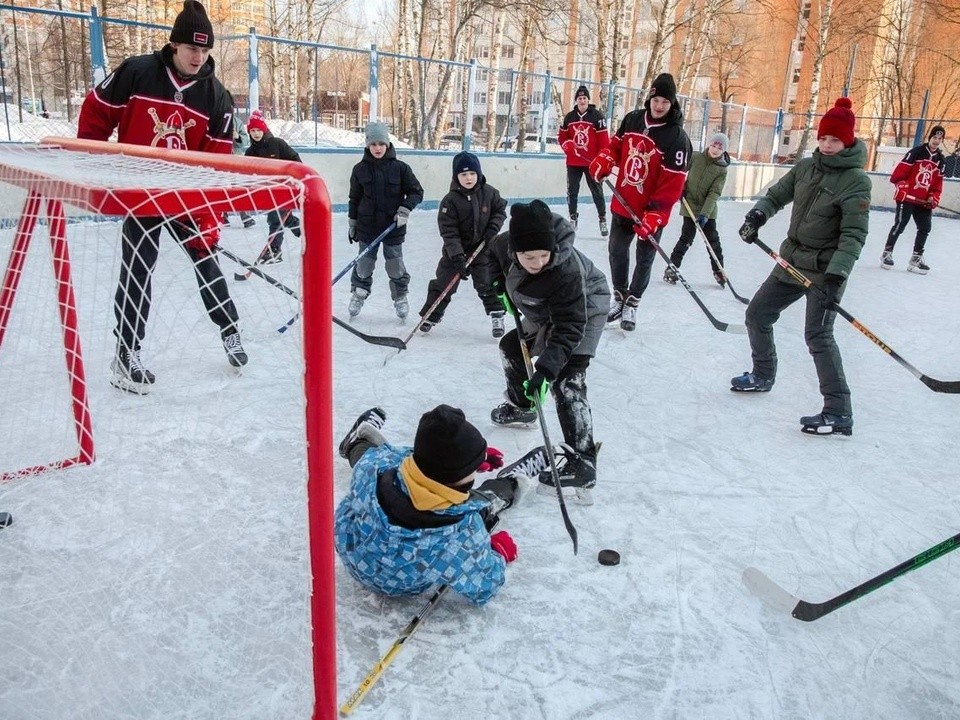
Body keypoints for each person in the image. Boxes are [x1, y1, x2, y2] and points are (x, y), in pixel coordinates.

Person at [77, 1, 246, 394]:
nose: (197, 56)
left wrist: (209, 218)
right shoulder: (137, 72)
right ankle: (127, 352)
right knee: (137, 270)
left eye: (204, 51)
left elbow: (215, 166)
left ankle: (231, 330)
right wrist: (91, 168)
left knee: (208, 266)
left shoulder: (217, 97)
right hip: (141, 196)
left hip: (186, 199)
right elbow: (96, 114)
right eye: (191, 48)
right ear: (174, 44)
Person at [732, 97, 871, 437]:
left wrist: (838, 274)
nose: (827, 144)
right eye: (824, 138)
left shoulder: (856, 181)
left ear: (847, 141)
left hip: (825, 270)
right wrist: (758, 215)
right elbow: (777, 194)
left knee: (819, 336)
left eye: (835, 140)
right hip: (791, 261)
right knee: (757, 315)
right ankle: (763, 374)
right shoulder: (806, 167)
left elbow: (853, 235)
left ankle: (838, 412)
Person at [335, 405, 525, 607]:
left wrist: (467, 461)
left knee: (370, 456)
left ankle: (356, 441)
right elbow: (487, 585)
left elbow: (414, 458)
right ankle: (510, 484)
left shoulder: (374, 468)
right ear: (461, 474)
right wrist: (498, 551)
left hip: (354, 555)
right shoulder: (462, 534)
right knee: (480, 503)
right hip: (400, 585)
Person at [488, 200, 610, 503]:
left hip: (584, 309)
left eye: (544, 255)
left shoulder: (565, 271)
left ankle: (582, 462)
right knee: (511, 348)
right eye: (529, 257)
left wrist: (545, 370)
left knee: (567, 380)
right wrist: (496, 282)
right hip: (544, 308)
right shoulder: (506, 243)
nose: (538, 261)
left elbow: (570, 326)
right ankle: (522, 406)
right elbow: (492, 252)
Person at [589, 73, 692, 332]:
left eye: (665, 102)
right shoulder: (633, 119)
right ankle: (620, 296)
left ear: (672, 104)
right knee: (616, 251)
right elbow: (615, 147)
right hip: (624, 203)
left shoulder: (677, 137)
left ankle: (633, 302)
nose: (659, 106)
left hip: (650, 212)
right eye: (656, 100)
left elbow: (672, 183)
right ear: (650, 98)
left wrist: (655, 214)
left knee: (644, 258)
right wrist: (605, 159)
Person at [416, 151, 507, 337]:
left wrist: (492, 229)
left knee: (487, 282)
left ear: (479, 174)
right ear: (456, 176)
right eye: (463, 174)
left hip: (483, 250)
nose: (469, 178)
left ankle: (497, 314)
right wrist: (457, 255)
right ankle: (430, 316)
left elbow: (500, 210)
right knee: (444, 282)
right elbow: (448, 231)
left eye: (472, 174)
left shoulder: (490, 193)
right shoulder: (450, 201)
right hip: (455, 252)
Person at [347, 122, 424, 320]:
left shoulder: (401, 169)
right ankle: (359, 292)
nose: (378, 148)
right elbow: (354, 199)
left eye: (382, 143)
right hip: (367, 227)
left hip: (393, 227)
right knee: (364, 264)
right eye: (373, 144)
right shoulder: (359, 170)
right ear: (367, 145)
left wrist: (405, 209)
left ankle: (400, 297)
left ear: (388, 144)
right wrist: (352, 223)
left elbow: (416, 192)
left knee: (394, 264)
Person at [664, 132, 730, 286]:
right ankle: (672, 268)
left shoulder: (722, 170)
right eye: (713, 145)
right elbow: (680, 172)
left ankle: (719, 271)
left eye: (719, 148)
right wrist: (679, 187)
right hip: (689, 205)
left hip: (708, 210)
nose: (715, 149)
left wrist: (705, 214)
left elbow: (714, 193)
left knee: (712, 241)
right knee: (686, 238)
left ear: (724, 151)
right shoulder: (696, 157)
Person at [882, 125, 945, 274]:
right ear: (929, 138)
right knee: (900, 224)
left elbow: (937, 184)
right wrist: (903, 186)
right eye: (934, 137)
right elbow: (897, 175)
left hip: (923, 201)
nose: (936, 141)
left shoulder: (940, 161)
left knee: (925, 227)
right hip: (907, 198)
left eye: (940, 139)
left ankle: (916, 258)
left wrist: (933, 197)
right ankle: (887, 253)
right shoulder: (916, 153)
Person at [244, 111, 303, 264]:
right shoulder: (250, 152)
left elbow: (295, 160)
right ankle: (302, 231)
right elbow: (247, 173)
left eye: (258, 130)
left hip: (284, 189)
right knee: (283, 218)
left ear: (264, 129)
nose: (256, 133)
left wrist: (297, 180)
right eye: (252, 131)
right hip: (266, 191)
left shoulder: (277, 143)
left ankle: (274, 250)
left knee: (275, 219)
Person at [558, 84, 609, 236]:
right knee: (572, 191)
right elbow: (562, 137)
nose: (582, 101)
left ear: (588, 99)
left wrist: (602, 160)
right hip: (574, 162)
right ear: (576, 101)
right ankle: (573, 217)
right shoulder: (569, 117)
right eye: (580, 98)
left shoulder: (597, 116)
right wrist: (566, 144)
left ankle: (602, 219)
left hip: (592, 163)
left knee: (597, 192)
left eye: (585, 98)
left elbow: (604, 141)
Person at [230, 116, 256, 229]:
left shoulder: (236, 121)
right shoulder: (212, 118)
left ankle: (245, 216)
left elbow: (245, 140)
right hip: (218, 158)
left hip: (235, 159)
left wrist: (237, 137)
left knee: (238, 188)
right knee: (220, 187)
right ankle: (222, 214)